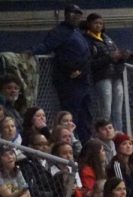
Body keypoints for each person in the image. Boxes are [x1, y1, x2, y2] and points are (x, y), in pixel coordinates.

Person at [30, 4, 93, 141]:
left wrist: (81, 70)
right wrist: (30, 52)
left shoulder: (77, 32)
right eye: (73, 13)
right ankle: (71, 141)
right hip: (69, 80)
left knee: (85, 115)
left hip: (82, 79)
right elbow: (46, 46)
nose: (76, 16)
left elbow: (87, 54)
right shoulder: (60, 32)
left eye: (78, 14)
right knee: (71, 115)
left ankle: (85, 142)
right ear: (67, 15)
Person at [85, 12, 131, 132]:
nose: (98, 26)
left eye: (101, 23)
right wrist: (110, 57)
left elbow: (116, 53)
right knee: (106, 108)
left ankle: (118, 133)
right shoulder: (87, 40)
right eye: (96, 23)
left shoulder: (107, 38)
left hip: (115, 75)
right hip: (102, 76)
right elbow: (91, 63)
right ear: (89, 24)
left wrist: (122, 56)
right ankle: (103, 133)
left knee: (118, 109)